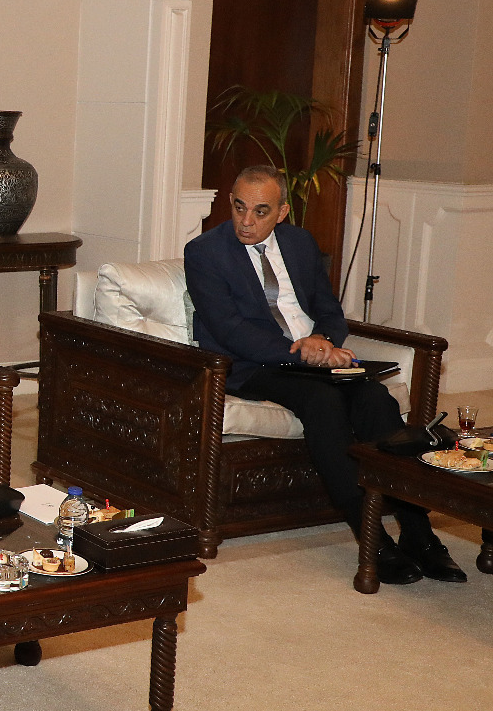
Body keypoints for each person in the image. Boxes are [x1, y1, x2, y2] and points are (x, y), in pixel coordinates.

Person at [185, 165, 463, 585]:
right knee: (323, 401)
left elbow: (329, 310)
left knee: (375, 399)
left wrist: (325, 342)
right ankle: (371, 537)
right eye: (239, 207)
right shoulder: (205, 251)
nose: (246, 221)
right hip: (253, 365)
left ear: (281, 212)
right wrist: (302, 352)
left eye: (260, 211)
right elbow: (230, 330)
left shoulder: (299, 243)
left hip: (317, 357)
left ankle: (418, 531)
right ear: (230, 201)